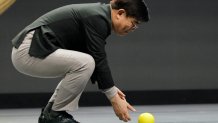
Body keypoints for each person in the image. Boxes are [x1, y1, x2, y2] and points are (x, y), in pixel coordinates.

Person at [11, 0, 149, 123]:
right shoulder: (98, 18)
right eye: (134, 22)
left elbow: (95, 57)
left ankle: (50, 115)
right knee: (85, 62)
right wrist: (112, 96)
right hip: (28, 50)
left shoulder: (100, 15)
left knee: (84, 62)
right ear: (120, 13)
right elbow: (98, 57)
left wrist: (112, 89)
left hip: (33, 49)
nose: (133, 28)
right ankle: (54, 115)